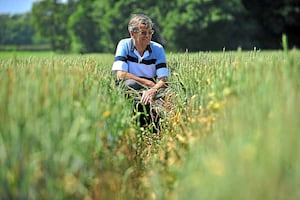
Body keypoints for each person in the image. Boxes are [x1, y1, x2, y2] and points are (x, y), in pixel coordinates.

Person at [112, 14, 169, 133]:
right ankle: (134, 125)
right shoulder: (124, 45)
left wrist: (153, 90)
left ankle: (154, 128)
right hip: (130, 87)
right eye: (143, 33)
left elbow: (163, 79)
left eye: (150, 32)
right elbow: (121, 74)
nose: (148, 36)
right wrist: (147, 83)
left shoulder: (158, 49)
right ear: (133, 33)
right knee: (131, 84)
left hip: (150, 89)